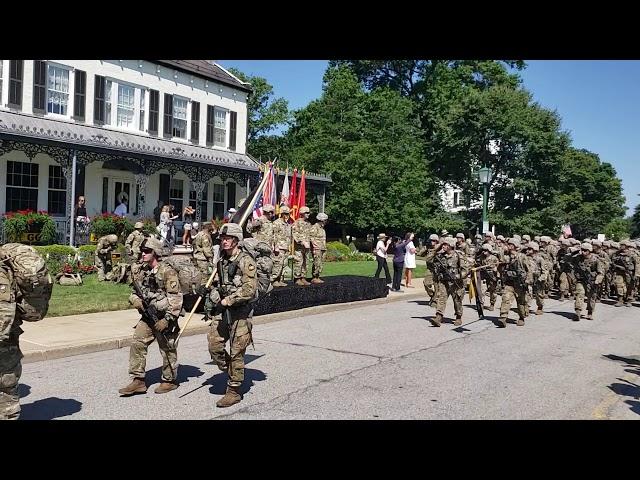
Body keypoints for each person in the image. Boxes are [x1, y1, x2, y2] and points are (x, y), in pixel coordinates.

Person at [118, 237, 183, 396]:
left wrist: (167, 320)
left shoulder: (167, 272)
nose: (143, 254)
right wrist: (136, 301)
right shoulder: (142, 271)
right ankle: (138, 380)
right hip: (148, 316)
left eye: (147, 252)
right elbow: (134, 292)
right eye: (142, 252)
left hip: (165, 317)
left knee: (167, 348)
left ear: (155, 253)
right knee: (137, 342)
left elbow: (176, 298)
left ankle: (169, 380)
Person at [203, 223, 257, 408]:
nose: (224, 241)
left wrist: (230, 299)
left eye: (227, 238)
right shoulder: (221, 261)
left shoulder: (245, 260)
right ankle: (233, 370)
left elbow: (249, 289)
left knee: (236, 352)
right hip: (223, 312)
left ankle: (233, 390)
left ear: (236, 240)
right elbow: (218, 283)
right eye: (222, 239)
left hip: (240, 313)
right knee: (214, 345)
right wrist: (211, 292)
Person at [426, 237, 468, 326]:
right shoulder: (440, 255)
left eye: (445, 244)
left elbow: (466, 270)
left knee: (457, 300)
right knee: (441, 298)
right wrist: (437, 249)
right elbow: (428, 260)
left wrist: (457, 276)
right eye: (443, 244)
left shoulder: (458, 255)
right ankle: (438, 317)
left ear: (450, 246)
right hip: (444, 282)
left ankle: (458, 317)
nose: (443, 246)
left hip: (455, 283)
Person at [498, 238, 531, 328]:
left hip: (520, 284)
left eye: (510, 244)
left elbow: (529, 270)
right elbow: (500, 266)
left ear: (514, 246)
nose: (507, 246)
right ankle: (503, 317)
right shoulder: (506, 257)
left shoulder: (522, 257)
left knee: (521, 302)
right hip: (509, 283)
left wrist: (527, 281)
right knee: (506, 298)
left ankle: (521, 317)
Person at [571, 242, 605, 320]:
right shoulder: (578, 258)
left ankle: (590, 312)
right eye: (582, 250)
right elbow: (567, 259)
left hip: (592, 281)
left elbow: (601, 273)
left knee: (591, 297)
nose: (583, 252)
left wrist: (597, 281)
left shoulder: (595, 260)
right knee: (580, 294)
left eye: (585, 250)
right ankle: (578, 311)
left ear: (589, 251)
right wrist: (574, 252)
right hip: (581, 280)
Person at [271, 206, 292, 287]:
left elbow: (289, 236)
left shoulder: (287, 224)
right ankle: (273, 280)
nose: (287, 215)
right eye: (285, 214)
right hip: (279, 247)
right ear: (282, 214)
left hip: (285, 247)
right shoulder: (277, 223)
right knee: (277, 264)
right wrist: (275, 246)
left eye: (288, 214)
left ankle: (279, 279)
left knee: (283, 264)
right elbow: (273, 235)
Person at [292, 206, 312, 286]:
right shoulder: (296, 223)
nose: (308, 214)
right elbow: (295, 234)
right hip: (299, 247)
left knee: (306, 263)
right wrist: (302, 242)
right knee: (299, 262)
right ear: (302, 214)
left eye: (308, 213)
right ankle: (297, 278)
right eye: (307, 213)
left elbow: (310, 234)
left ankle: (303, 278)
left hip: (307, 248)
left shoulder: (308, 224)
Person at [310, 213, 328, 284]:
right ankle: (315, 277)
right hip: (317, 248)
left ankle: (317, 276)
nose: (326, 221)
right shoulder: (315, 227)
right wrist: (315, 247)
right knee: (317, 262)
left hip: (322, 248)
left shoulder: (322, 228)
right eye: (325, 220)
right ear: (321, 220)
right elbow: (311, 237)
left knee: (320, 263)